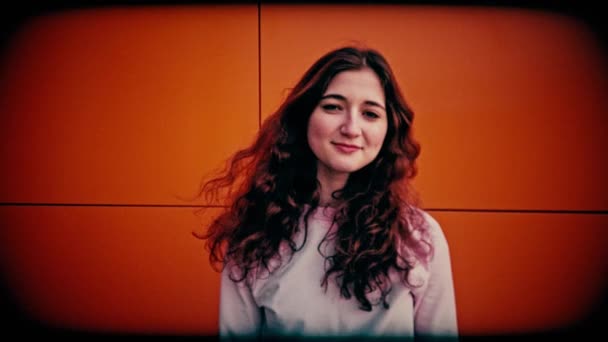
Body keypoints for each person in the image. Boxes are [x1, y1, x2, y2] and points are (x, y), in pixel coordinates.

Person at [195, 46, 458, 341]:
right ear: (304, 116)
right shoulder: (254, 233)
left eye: (370, 113)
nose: (351, 128)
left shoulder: (419, 236)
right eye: (333, 107)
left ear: (388, 130)